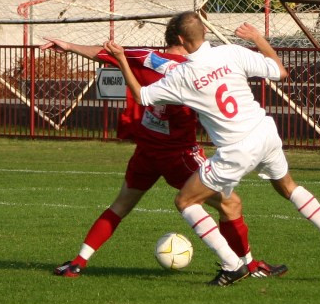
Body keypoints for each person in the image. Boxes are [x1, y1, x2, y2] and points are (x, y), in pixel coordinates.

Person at [105, 12, 320, 287]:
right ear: (204, 33)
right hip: (265, 132)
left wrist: (122, 59)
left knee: (185, 201)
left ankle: (233, 265)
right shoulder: (231, 52)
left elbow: (141, 96)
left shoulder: (183, 73)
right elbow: (280, 71)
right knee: (289, 187)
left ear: (181, 39)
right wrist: (258, 39)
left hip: (236, 149)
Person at [42, 23, 288, 279]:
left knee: (121, 205)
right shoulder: (190, 68)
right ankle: (248, 266)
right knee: (230, 203)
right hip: (179, 154)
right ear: (185, 40)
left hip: (146, 151)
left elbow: (103, 53)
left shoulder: (147, 58)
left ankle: (78, 262)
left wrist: (69, 46)